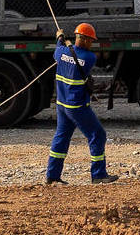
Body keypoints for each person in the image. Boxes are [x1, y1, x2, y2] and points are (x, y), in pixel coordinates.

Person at [45, 22, 114, 185]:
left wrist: (60, 38)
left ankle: (52, 175)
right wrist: (65, 40)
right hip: (77, 106)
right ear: (83, 39)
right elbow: (76, 54)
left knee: (61, 138)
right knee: (97, 135)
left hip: (62, 104)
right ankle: (98, 175)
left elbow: (60, 49)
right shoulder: (89, 58)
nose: (92, 43)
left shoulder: (60, 52)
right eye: (90, 40)